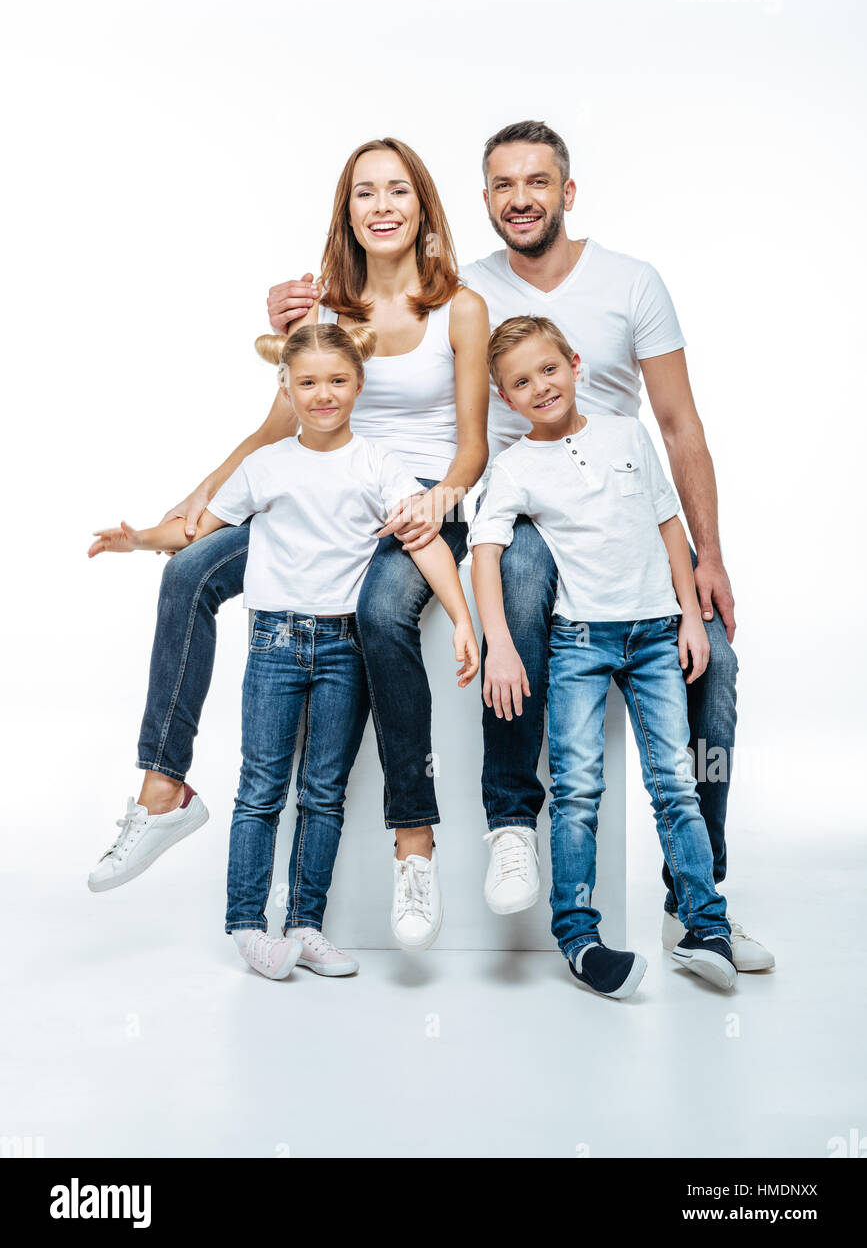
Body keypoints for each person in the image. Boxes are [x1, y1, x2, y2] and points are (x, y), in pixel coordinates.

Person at [267, 119, 774, 973]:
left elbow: (680, 427)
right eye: (502, 186)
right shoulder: (461, 289)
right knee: (493, 585)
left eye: (536, 182)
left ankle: (697, 904)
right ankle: (507, 824)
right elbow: (368, 321)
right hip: (516, 504)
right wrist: (296, 312)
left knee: (714, 664)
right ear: (483, 201)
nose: (520, 199)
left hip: (625, 504)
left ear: (566, 193)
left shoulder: (630, 283)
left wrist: (708, 555)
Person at [89, 136, 490, 954]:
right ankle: (164, 787)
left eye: (397, 192)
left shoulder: (461, 306)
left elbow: (473, 446)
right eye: (364, 194)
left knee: (380, 610)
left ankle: (411, 842)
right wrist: (200, 498)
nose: (382, 207)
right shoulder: (324, 316)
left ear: (422, 209)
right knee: (191, 572)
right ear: (346, 212)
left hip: (413, 500)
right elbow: (280, 429)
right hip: (318, 492)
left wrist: (439, 500)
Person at [470, 315, 735, 997]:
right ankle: (579, 938)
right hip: (579, 640)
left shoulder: (624, 432)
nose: (540, 387)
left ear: (575, 363)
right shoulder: (515, 465)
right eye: (521, 382)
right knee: (578, 792)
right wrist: (499, 641)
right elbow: (485, 552)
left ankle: (706, 924)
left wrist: (688, 617)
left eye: (548, 369)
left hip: (653, 635)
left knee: (674, 784)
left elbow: (666, 522)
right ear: (504, 397)